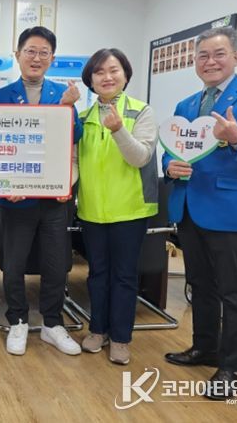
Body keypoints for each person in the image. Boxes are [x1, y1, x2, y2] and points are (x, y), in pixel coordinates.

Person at [163, 26, 237, 400]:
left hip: (228, 211)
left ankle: (231, 368)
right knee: (199, 285)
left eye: (219, 54)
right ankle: (204, 348)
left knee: (233, 292)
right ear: (195, 61)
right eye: (203, 55)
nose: (210, 62)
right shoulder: (186, 105)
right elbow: (171, 149)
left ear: (235, 57)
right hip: (188, 207)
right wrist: (169, 166)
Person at [0, 26, 83, 356]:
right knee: (13, 263)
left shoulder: (63, 93)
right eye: (30, 51)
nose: (36, 58)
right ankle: (17, 320)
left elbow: (75, 137)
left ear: (52, 59)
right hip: (15, 198)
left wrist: (68, 108)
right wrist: (5, 185)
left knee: (56, 263)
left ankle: (53, 324)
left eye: (44, 53)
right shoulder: (0, 96)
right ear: (17, 55)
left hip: (54, 197)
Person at [77, 48, 158, 365]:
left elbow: (141, 157)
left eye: (114, 70)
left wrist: (118, 130)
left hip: (130, 209)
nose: (107, 77)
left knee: (124, 275)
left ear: (125, 75)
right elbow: (74, 162)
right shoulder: (83, 117)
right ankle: (98, 330)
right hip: (92, 209)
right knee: (97, 274)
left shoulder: (141, 111)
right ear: (90, 80)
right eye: (99, 72)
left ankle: (121, 338)